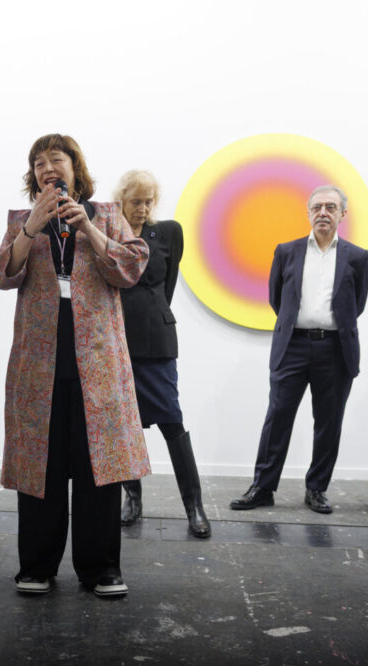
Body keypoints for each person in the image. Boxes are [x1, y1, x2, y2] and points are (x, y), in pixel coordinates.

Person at [0, 134, 149, 598]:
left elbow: (131, 268)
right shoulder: (22, 220)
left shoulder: (108, 214)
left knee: (99, 466)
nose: (46, 168)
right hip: (39, 364)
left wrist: (89, 229)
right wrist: (30, 229)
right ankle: (36, 565)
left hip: (98, 364)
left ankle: (101, 568)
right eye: (38, 163)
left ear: (75, 167)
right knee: (42, 466)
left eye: (55, 159)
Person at [230, 186, 368, 514]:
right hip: (292, 345)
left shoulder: (357, 256)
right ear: (308, 213)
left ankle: (317, 488)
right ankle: (263, 487)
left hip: (335, 349)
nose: (323, 213)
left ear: (342, 214)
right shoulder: (287, 251)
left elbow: (357, 303)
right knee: (278, 416)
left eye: (331, 207)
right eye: (317, 207)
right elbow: (277, 299)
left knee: (328, 421)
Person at [113, 170, 210, 538]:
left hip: (157, 340)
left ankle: (194, 507)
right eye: (136, 201)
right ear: (122, 200)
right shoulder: (109, 234)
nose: (143, 208)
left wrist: (151, 312)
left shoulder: (168, 232)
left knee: (172, 420)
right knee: (124, 426)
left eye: (148, 201)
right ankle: (132, 499)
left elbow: (166, 284)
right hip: (118, 341)